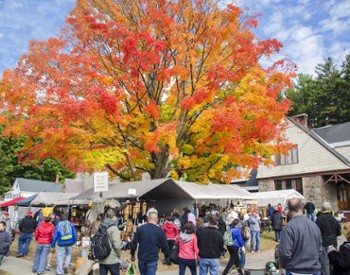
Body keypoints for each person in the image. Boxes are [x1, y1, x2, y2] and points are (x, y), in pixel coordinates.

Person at [279, 197, 322, 275]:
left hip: (296, 270)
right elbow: (320, 249)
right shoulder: (314, 225)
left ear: (289, 210)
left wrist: (283, 265)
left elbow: (285, 253)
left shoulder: (289, 227)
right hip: (313, 269)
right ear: (302, 208)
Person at [316, 202, 341, 275]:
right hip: (333, 242)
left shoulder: (319, 219)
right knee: (333, 261)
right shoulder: (334, 219)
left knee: (325, 263)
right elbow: (338, 232)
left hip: (324, 243)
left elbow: (317, 233)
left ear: (322, 209)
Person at [98, 209, 121, 275]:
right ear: (114, 217)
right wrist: (119, 255)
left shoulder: (101, 226)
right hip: (112, 259)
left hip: (102, 258)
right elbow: (117, 245)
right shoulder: (114, 228)